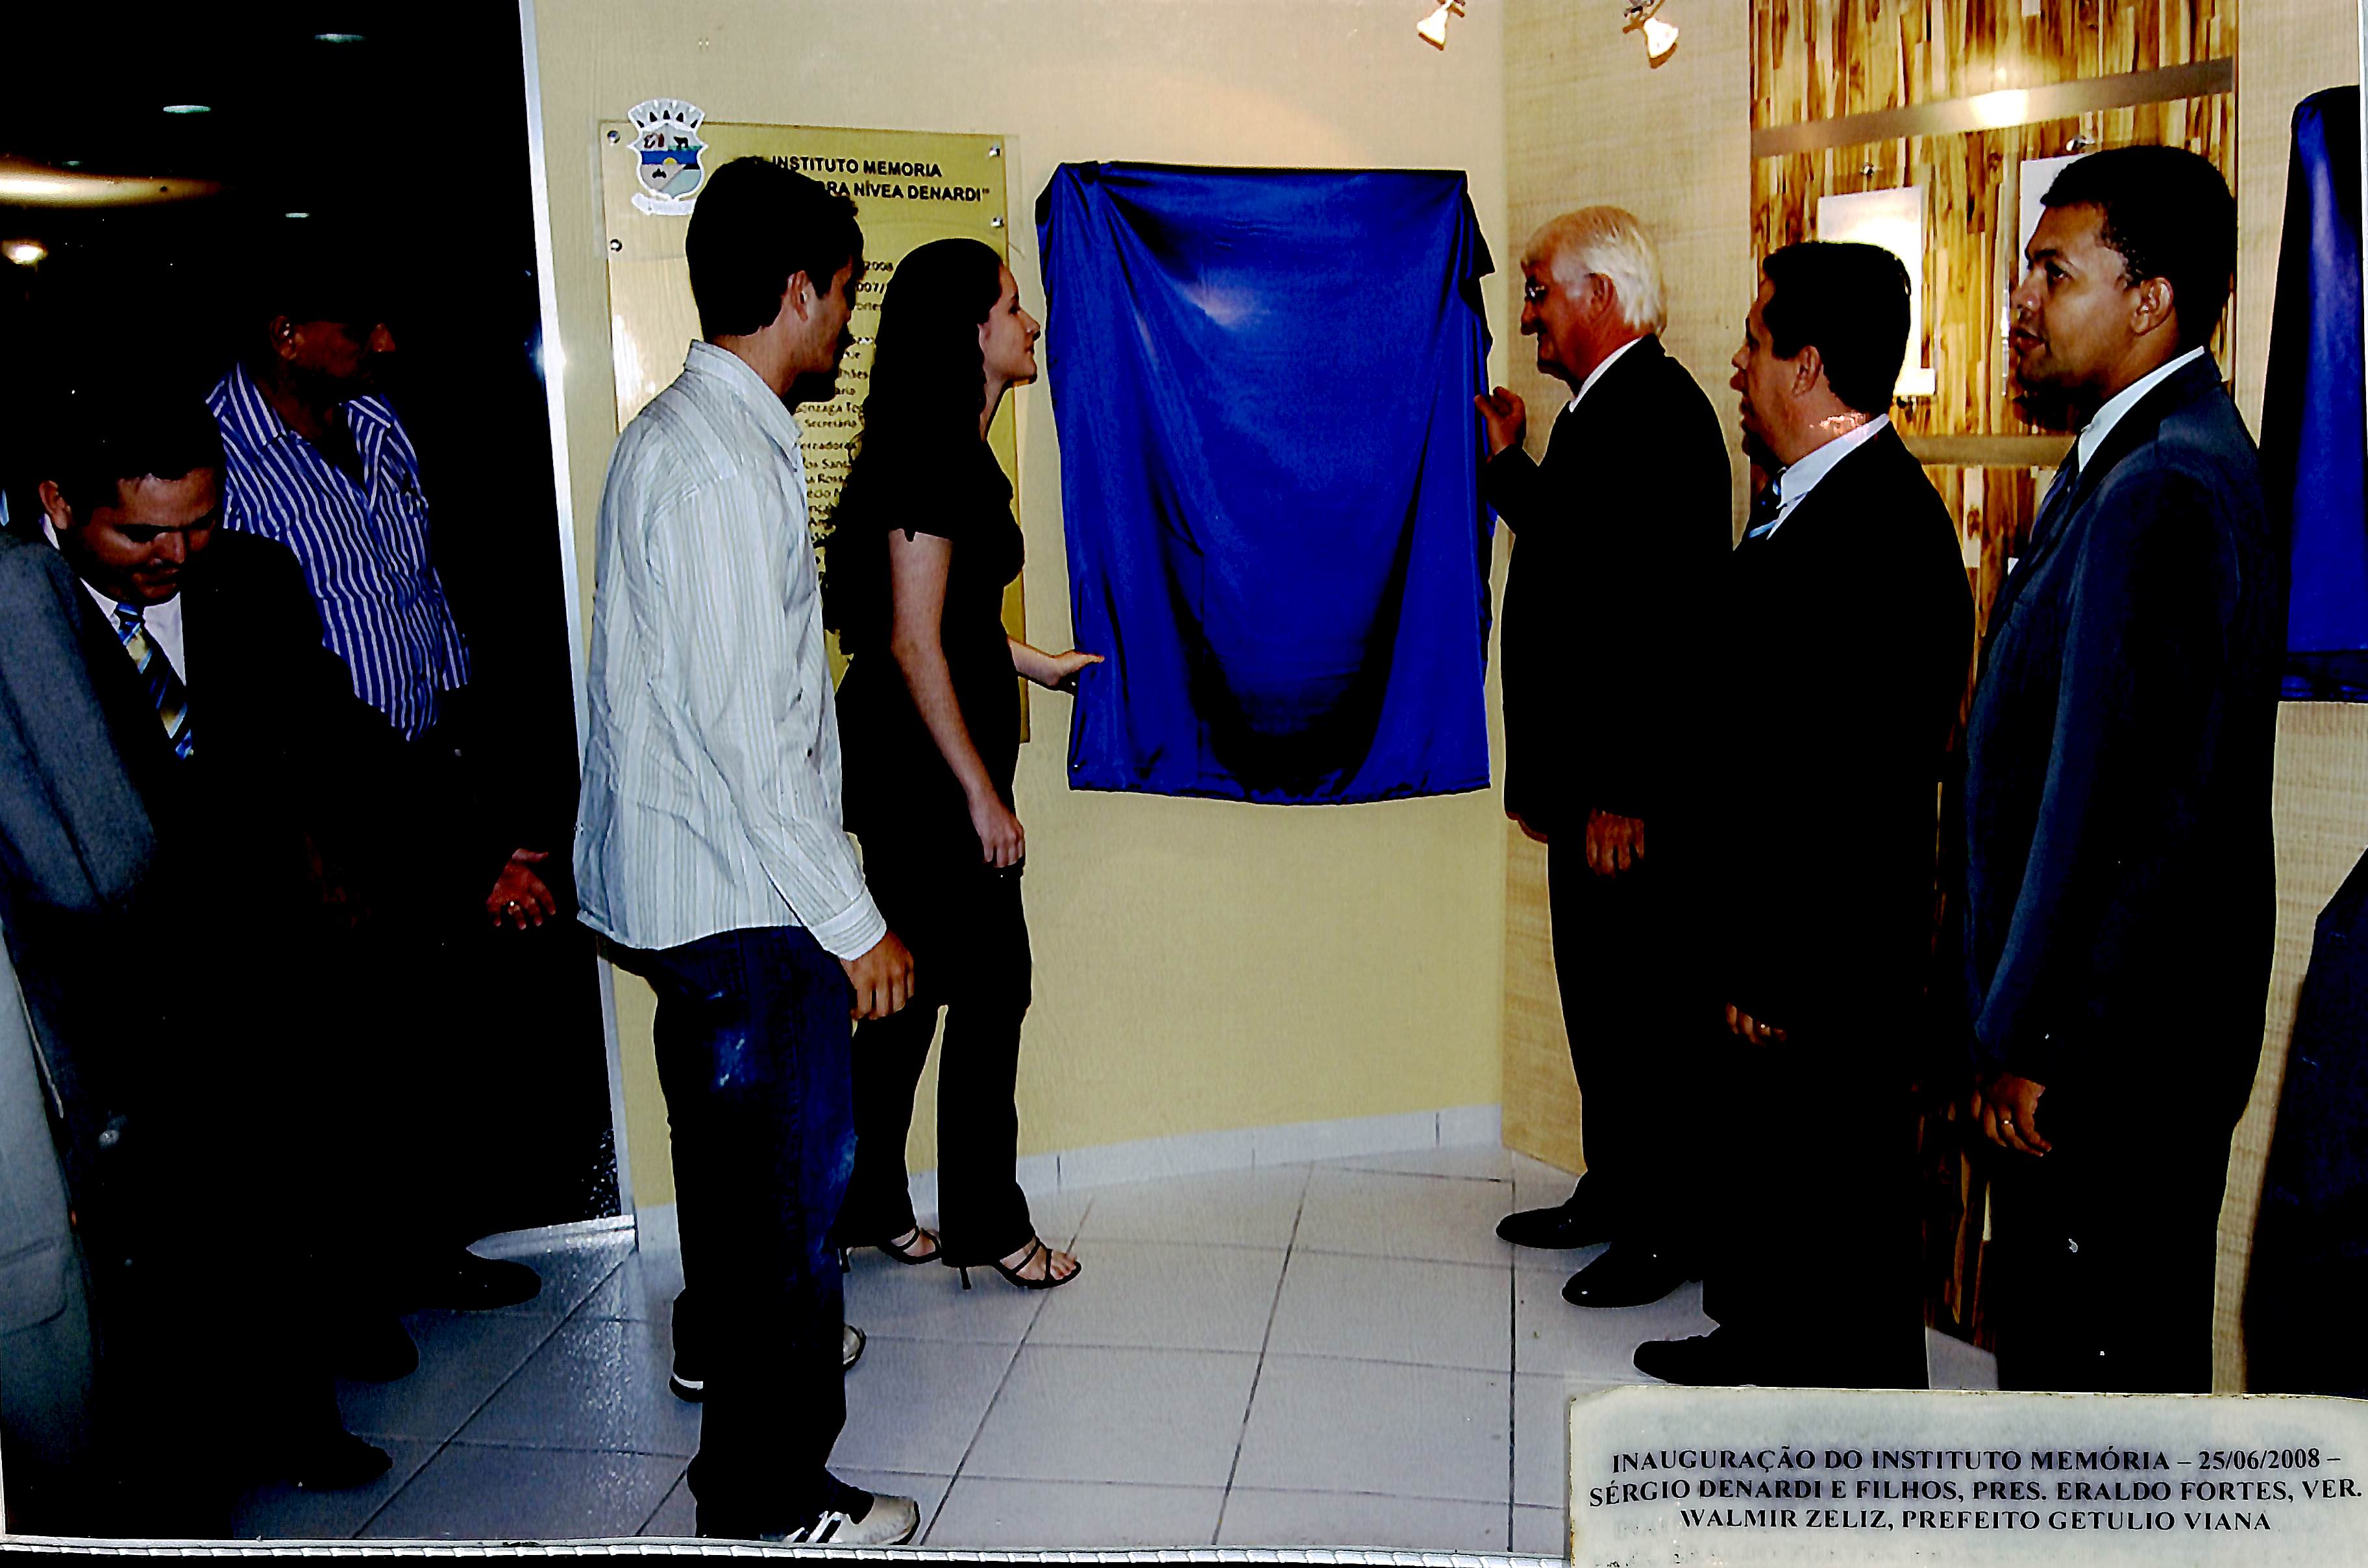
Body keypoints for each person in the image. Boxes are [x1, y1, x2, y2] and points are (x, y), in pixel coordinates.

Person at [573, 157, 920, 1546]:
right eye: (841, 297)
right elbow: (752, 736)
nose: (845, 327)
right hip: (746, 906)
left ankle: (744, 1436)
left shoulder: (704, 438)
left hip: (706, 899)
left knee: (741, 1205)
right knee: (787, 1222)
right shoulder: (717, 463)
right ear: (796, 291)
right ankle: (773, 1504)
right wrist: (856, 919)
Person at [0, 387, 413, 1530]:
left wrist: (478, 846)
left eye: (197, 523)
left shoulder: (253, 583)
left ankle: (297, 1418)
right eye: (140, 533)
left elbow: (335, 736)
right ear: (57, 505)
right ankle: (181, 1467)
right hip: (111, 1003)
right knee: (161, 1255)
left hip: (257, 964)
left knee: (279, 1199)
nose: (174, 556)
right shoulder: (24, 629)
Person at [1633, 242, 1972, 1388]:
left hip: (1823, 958)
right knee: (1783, 1184)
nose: (1735, 364)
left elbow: (1849, 790)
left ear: (1810, 367)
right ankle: (1765, 1340)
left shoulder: (1882, 533)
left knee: (1844, 1212)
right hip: (1782, 940)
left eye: (1755, 340)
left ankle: (1853, 1453)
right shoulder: (1809, 504)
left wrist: (1773, 968)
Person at [1966, 146, 2276, 1393]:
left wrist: (2048, 1039)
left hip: (2115, 1061)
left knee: (2100, 1384)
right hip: (2118, 1047)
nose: (2022, 303)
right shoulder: (2143, 454)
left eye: (2053, 271)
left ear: (2150, 301)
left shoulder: (2167, 482)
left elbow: (2147, 817)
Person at [206, 237, 545, 1345]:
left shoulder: (383, 428)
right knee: (338, 1049)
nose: (385, 344)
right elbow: (260, 684)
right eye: (359, 327)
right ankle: (350, 1298)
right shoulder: (218, 458)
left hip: (428, 762)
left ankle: (429, 1252)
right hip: (323, 791)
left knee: (428, 1031)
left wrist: (474, 778)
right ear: (285, 334)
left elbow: (426, 591)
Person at [823, 238, 1099, 1290]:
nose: (1029, 326)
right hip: (928, 778)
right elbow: (909, 642)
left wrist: (1035, 667)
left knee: (915, 989)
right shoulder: (933, 454)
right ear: (971, 333)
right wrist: (983, 796)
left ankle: (869, 1204)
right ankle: (987, 1224)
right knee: (992, 987)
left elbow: (949, 619)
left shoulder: (945, 445)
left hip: (926, 765)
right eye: (1013, 309)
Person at [1472, 208, 1731, 1308]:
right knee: (1599, 1002)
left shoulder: (1661, 417)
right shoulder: (1602, 410)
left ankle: (1665, 1229)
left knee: (1645, 1016)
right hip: (1587, 790)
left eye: (1539, 290)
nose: (1527, 312)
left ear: (1601, 297)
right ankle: (1615, 1191)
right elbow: (1580, 553)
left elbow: (1665, 624)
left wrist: (1625, 789)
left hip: (1628, 797)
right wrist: (1508, 465)